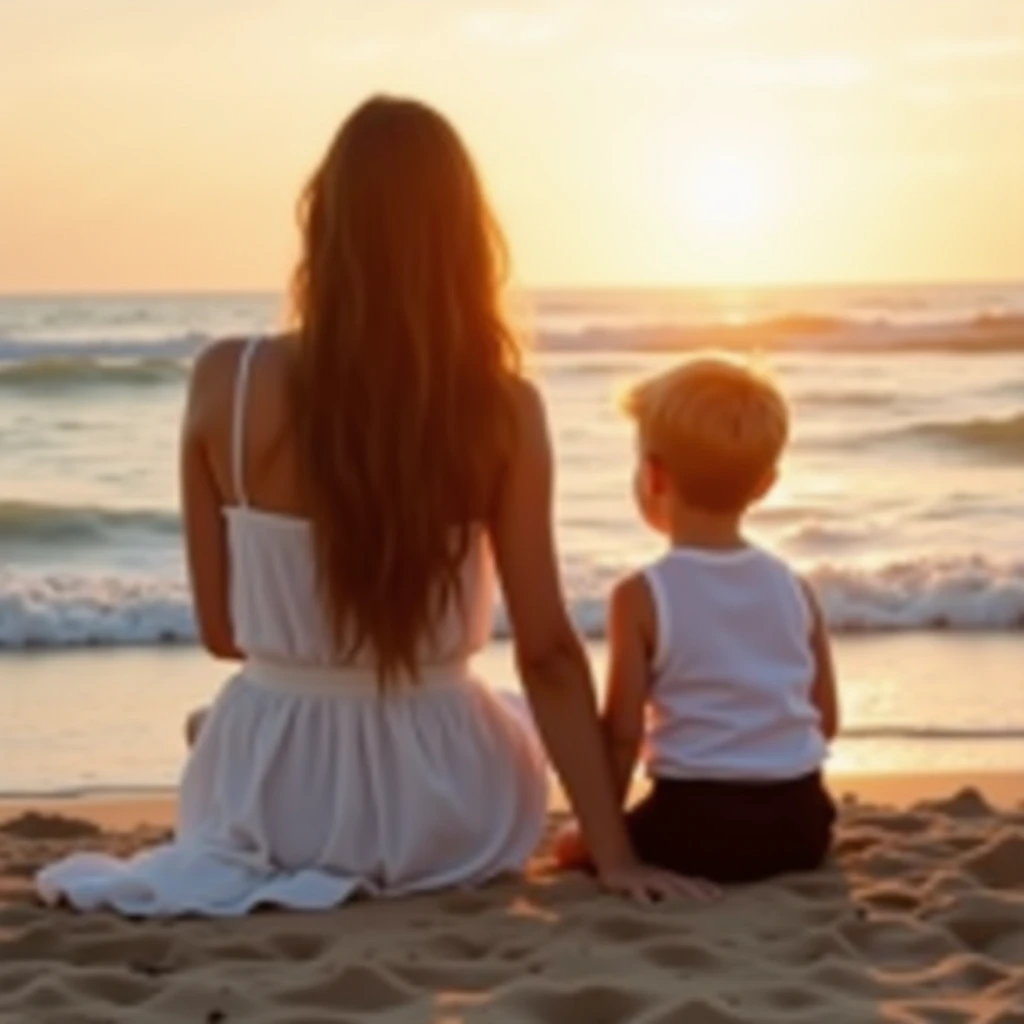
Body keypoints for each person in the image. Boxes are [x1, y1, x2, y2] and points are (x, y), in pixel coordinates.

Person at [36, 96, 708, 916]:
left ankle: (238, 755)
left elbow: (222, 634)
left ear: (323, 227)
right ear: (465, 242)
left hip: (271, 798)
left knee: (226, 716)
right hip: (445, 813)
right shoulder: (504, 410)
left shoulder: (226, 383)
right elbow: (549, 655)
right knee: (511, 711)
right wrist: (614, 855)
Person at [557, 355, 839, 883]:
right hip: (802, 828)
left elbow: (622, 732)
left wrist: (600, 833)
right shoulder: (796, 588)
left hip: (693, 827)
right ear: (766, 484)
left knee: (567, 848)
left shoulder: (641, 595)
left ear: (654, 475)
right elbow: (825, 719)